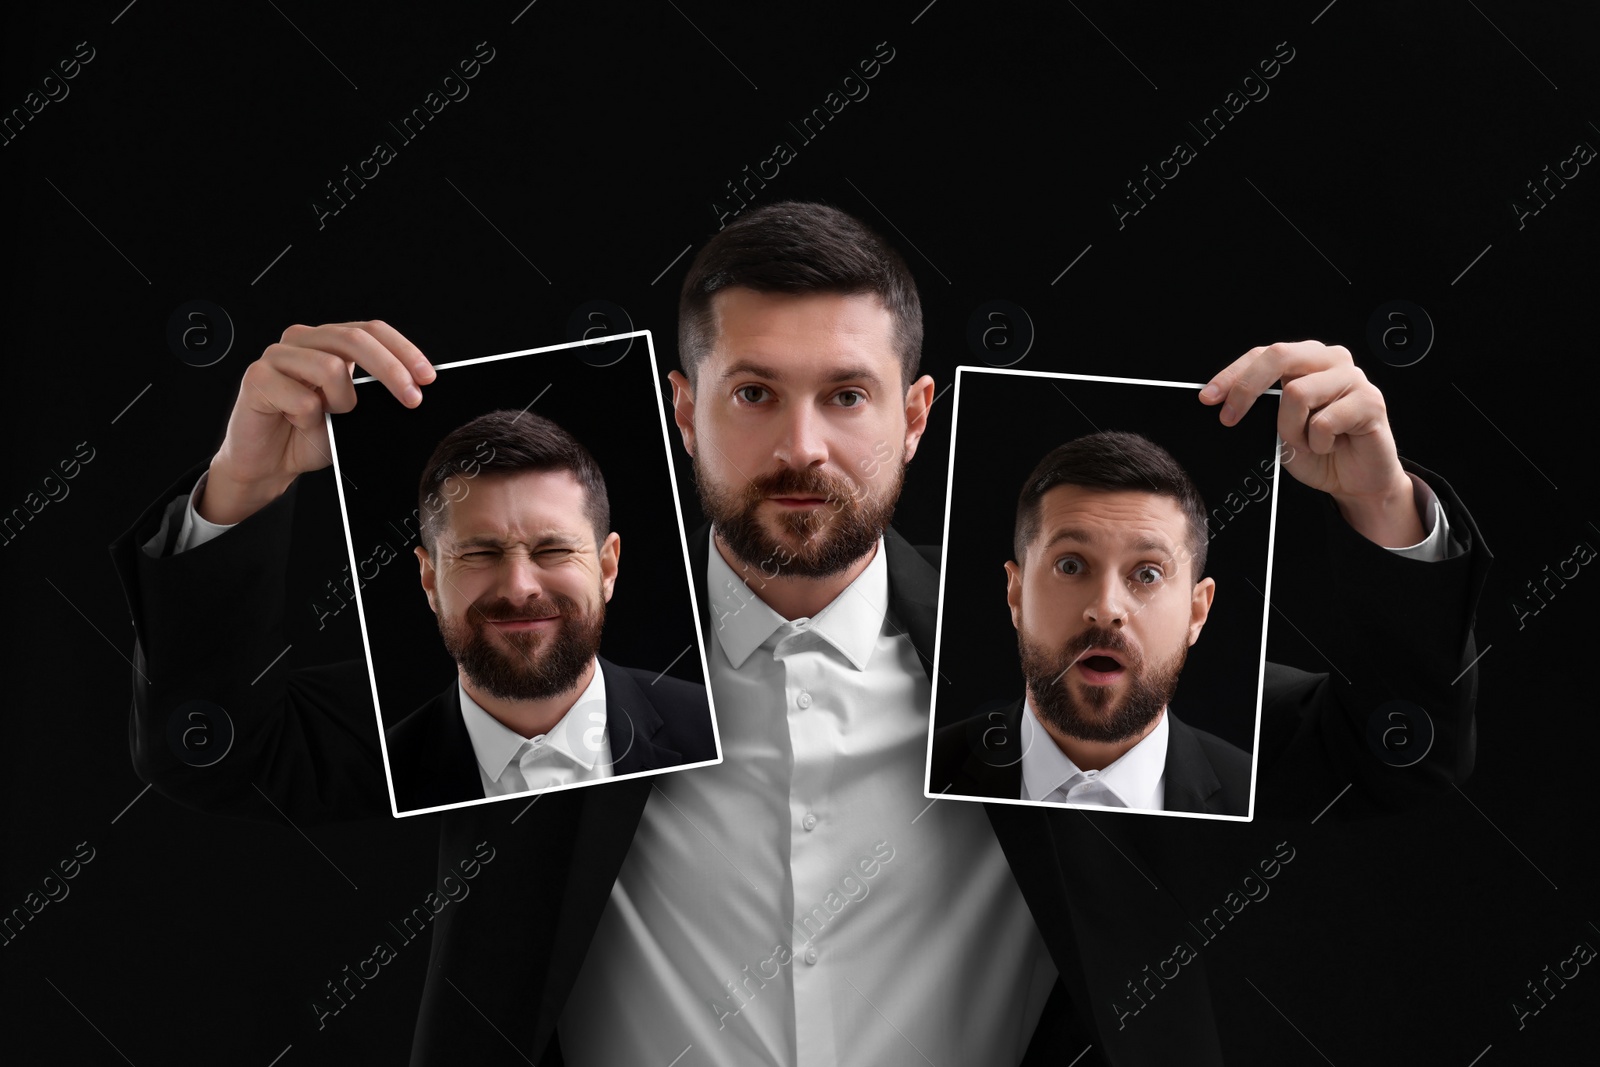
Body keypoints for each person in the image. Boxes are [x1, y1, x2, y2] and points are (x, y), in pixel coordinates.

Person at [110, 202, 1490, 1065]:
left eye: (846, 394)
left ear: (918, 414)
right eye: (755, 393)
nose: (802, 444)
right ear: (682, 403)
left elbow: (1394, 756)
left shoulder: (1060, 649)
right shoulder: (543, 642)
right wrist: (240, 486)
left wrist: (1379, 503)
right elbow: (217, 757)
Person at [383, 409, 715, 813]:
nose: (520, 588)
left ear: (607, 568)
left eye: (554, 550)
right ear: (430, 580)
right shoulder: (372, 785)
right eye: (480, 553)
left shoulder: (713, 734)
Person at [932, 430, 1264, 815]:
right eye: (1070, 566)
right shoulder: (915, 778)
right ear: (1016, 595)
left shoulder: (1259, 800)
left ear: (1196, 613)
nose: (1106, 609)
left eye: (1148, 574)